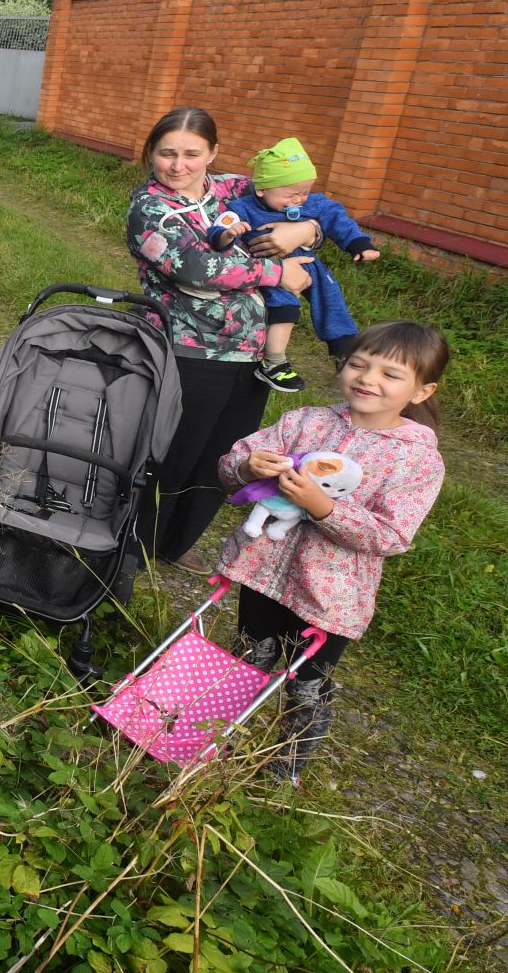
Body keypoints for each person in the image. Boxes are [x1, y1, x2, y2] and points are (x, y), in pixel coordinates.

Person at [215, 321, 448, 781]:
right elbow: (234, 464)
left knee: (308, 682)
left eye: (390, 374)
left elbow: (391, 535)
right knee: (246, 658)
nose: (368, 379)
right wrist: (247, 464)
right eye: (358, 365)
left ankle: (286, 766)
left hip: (329, 597)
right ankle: (218, 738)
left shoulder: (417, 459)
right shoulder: (306, 421)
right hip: (262, 569)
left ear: (422, 391)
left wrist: (324, 508)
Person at [126, 107, 319, 569]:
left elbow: (303, 204)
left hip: (250, 354)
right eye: (167, 153)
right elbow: (198, 268)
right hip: (187, 353)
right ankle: (133, 546)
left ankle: (174, 544)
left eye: (192, 153)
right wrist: (278, 270)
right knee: (170, 453)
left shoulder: (235, 190)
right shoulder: (150, 208)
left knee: (224, 456)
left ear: (212, 152)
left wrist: (306, 228)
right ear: (151, 153)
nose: (178, 165)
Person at [220, 138, 381, 393]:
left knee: (330, 292)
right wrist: (226, 235)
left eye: (304, 192)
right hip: (269, 266)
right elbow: (222, 229)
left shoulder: (312, 204)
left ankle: (344, 347)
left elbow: (336, 217)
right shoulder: (242, 207)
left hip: (307, 262)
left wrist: (358, 244)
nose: (299, 200)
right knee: (286, 306)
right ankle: (273, 362)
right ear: (262, 189)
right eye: (291, 194)